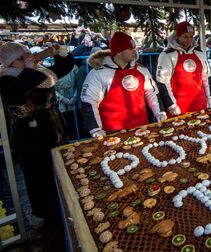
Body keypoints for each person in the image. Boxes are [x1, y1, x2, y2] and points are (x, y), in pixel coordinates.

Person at [0, 41, 74, 240]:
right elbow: (16, 96)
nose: (26, 59)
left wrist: (61, 53)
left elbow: (62, 68)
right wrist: (30, 70)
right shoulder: (7, 79)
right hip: (31, 136)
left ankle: (66, 206)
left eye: (26, 54)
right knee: (41, 178)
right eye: (20, 58)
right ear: (9, 62)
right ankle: (51, 221)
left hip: (53, 126)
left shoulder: (39, 73)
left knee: (60, 170)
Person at [81, 32, 166, 138]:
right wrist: (96, 129)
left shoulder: (141, 70)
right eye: (130, 49)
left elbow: (152, 93)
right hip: (112, 133)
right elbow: (89, 102)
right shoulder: (98, 73)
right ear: (119, 52)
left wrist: (160, 113)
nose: (135, 52)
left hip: (142, 128)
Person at [156, 22, 211, 117]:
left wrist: (208, 96)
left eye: (191, 36)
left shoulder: (199, 53)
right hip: (179, 105)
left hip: (200, 103)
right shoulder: (167, 55)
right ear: (177, 36)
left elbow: (205, 77)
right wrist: (171, 104)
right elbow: (163, 82)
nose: (189, 40)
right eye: (185, 36)